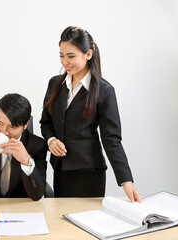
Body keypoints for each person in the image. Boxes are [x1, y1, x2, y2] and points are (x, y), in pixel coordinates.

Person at [40, 26, 140, 202]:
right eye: (61, 56)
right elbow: (46, 122)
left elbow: (112, 139)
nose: (65, 62)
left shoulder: (104, 90)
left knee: (87, 225)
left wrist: (126, 181)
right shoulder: (55, 84)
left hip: (89, 173)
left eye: (71, 56)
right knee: (63, 224)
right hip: (61, 170)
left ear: (88, 54)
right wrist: (51, 140)